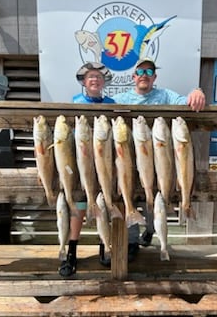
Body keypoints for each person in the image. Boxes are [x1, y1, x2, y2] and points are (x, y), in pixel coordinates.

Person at [112, 57, 206, 246]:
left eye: (148, 72)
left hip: (158, 159)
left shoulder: (165, 95)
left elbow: (185, 102)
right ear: (133, 76)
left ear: (154, 77)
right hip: (128, 158)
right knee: (125, 197)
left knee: (156, 199)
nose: (143, 76)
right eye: (140, 72)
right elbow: (100, 108)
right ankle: (130, 244)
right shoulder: (120, 98)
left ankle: (150, 230)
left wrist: (198, 91)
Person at [59, 62, 140, 277]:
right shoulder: (75, 103)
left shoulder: (111, 103)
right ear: (84, 82)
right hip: (83, 163)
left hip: (106, 164)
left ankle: (106, 245)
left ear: (104, 82)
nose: (94, 79)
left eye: (98, 77)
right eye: (90, 77)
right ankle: (71, 252)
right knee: (80, 205)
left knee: (108, 203)